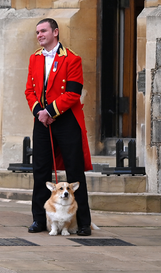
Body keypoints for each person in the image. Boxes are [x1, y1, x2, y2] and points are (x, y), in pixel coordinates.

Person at [24, 18, 94, 235]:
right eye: (37, 32)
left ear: (55, 32)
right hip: (42, 121)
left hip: (66, 120)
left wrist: (50, 112)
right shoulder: (34, 58)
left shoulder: (72, 59)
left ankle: (83, 223)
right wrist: (40, 113)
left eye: (43, 31)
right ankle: (38, 219)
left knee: (74, 172)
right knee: (40, 171)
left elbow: (73, 93)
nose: (39, 35)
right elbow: (29, 91)